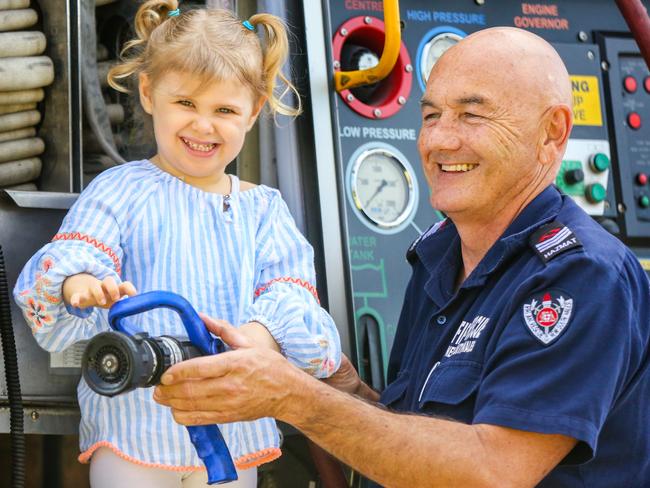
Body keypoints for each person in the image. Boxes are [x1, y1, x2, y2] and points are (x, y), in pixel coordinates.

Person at [153, 26, 650, 487]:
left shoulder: (582, 274)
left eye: (472, 114)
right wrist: (339, 386)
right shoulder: (441, 257)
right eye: (431, 114)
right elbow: (414, 438)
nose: (437, 140)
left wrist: (296, 398)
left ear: (553, 132)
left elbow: (493, 470)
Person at [13, 2, 341, 487]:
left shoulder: (264, 210)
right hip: (134, 432)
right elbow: (80, 253)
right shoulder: (119, 189)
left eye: (225, 110)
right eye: (186, 103)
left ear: (252, 112)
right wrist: (79, 282)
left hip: (234, 432)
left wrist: (264, 336)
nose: (203, 126)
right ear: (148, 93)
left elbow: (291, 292)